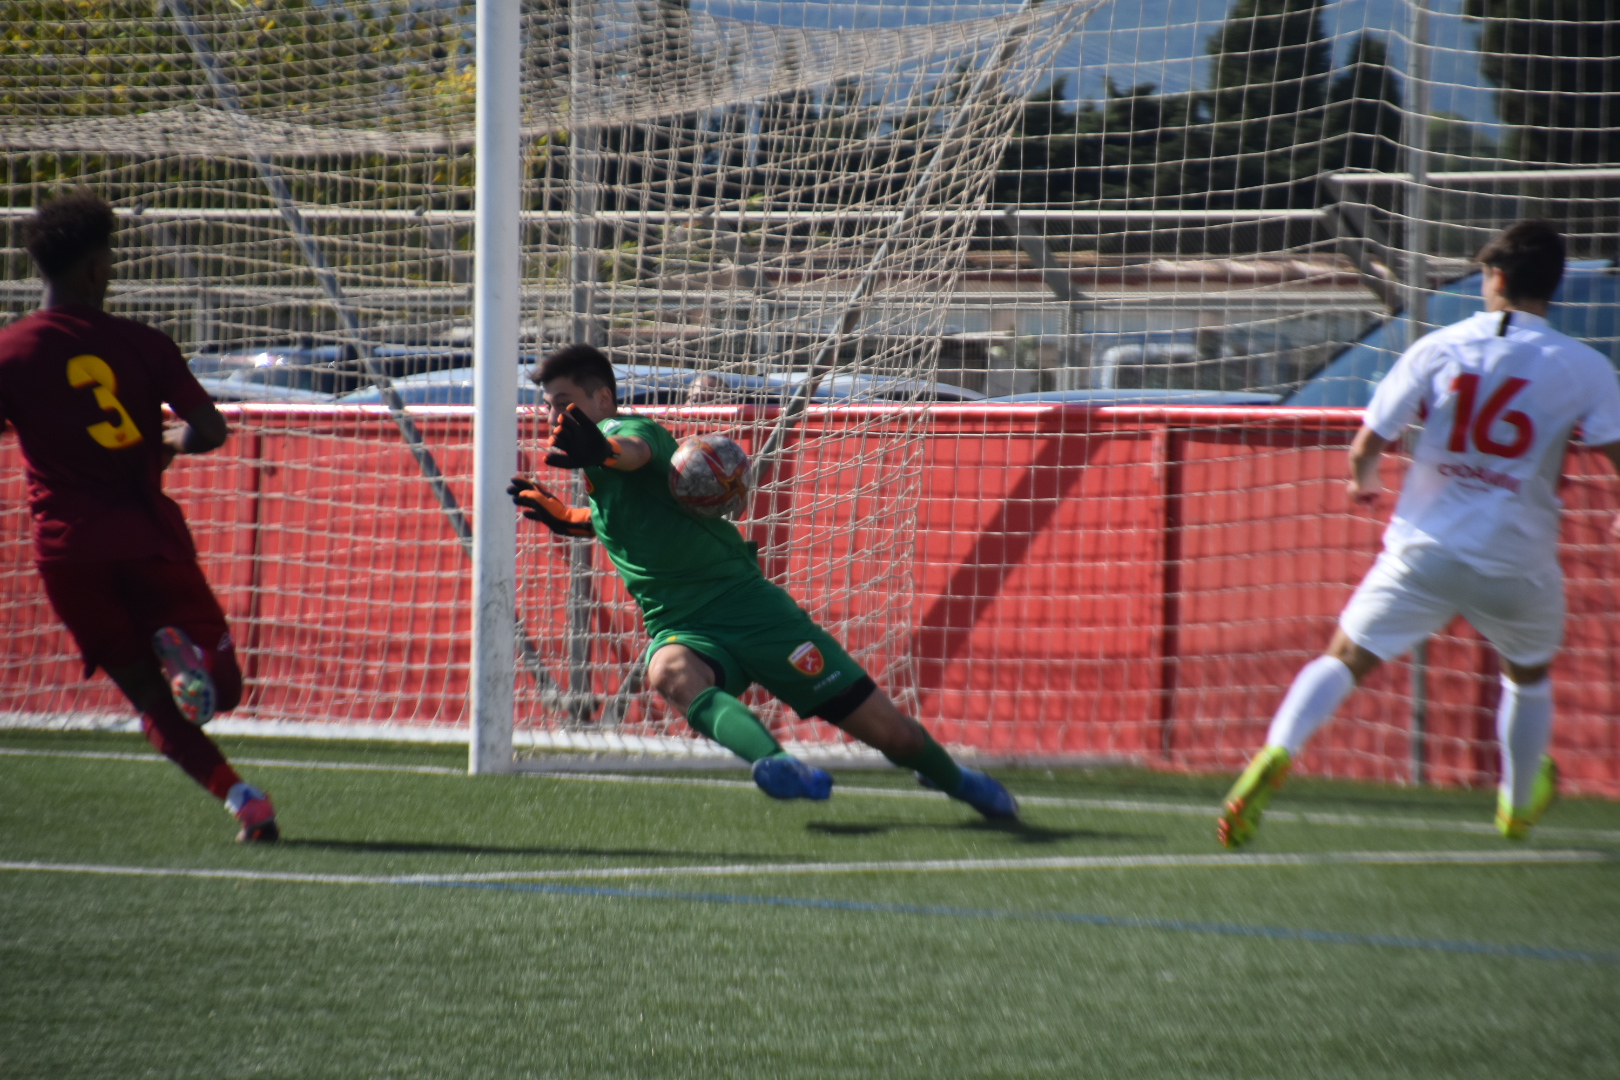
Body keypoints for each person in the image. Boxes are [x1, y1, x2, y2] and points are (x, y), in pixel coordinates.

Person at [1218, 220, 1620, 849]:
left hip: (1423, 551)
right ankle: (1516, 804)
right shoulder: (1584, 365)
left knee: (1344, 658)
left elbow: (1365, 446)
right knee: (1528, 674)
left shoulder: (1439, 347)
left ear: (1496, 277)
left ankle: (1277, 752)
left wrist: (1363, 483)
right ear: (1554, 285)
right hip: (1514, 560)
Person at [508, 344, 1017, 818]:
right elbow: (627, 520)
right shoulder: (595, 466)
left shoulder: (628, 430)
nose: (554, 417)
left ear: (602, 399)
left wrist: (602, 448)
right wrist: (569, 518)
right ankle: (776, 764)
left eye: (565, 404)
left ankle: (955, 778)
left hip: (754, 613)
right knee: (667, 671)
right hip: (682, 624)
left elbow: (633, 450)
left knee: (897, 738)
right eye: (550, 406)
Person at [0, 191, 277, 843]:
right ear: (97, 268)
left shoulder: (8, 352)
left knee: (146, 698)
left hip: (68, 552)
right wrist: (168, 444)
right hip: (146, 536)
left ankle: (245, 801)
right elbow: (210, 429)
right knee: (224, 689)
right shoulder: (143, 342)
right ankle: (191, 657)